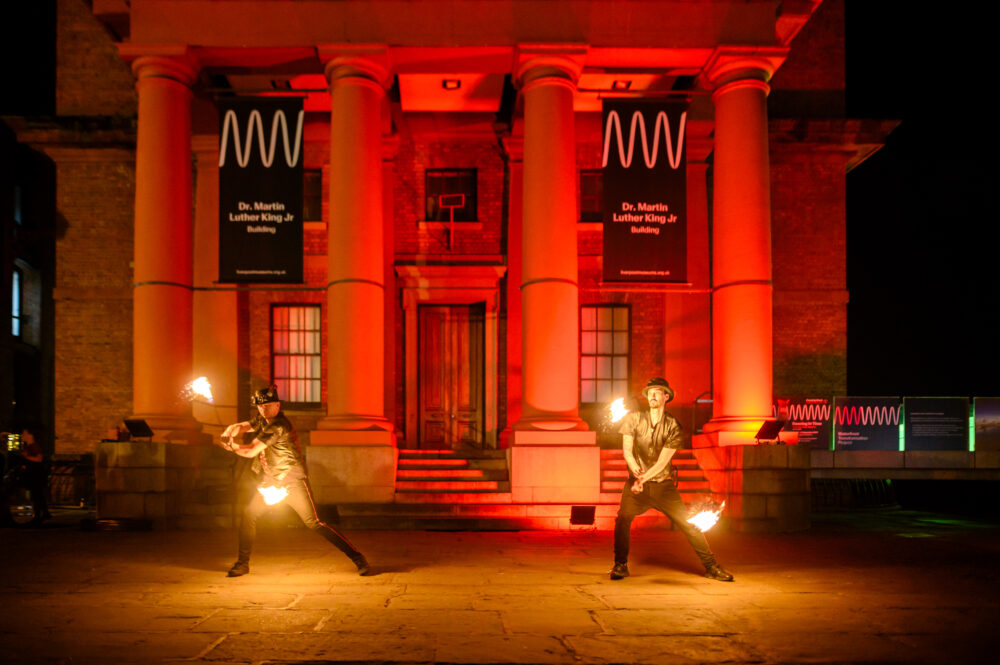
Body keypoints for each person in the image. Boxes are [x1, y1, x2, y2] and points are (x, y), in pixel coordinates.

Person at [220, 385, 370, 577]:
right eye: (259, 406)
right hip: (270, 482)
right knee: (249, 515)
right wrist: (230, 430)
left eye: (267, 405)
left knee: (314, 523)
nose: (262, 409)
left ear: (277, 405)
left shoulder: (278, 426)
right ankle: (242, 564)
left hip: (292, 482)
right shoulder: (262, 419)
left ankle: (358, 558)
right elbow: (241, 426)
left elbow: (250, 451)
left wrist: (232, 447)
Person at [611, 377, 733, 582]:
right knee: (623, 518)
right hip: (636, 484)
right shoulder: (632, 419)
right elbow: (627, 451)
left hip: (663, 486)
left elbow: (661, 462)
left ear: (666, 396)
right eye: (649, 391)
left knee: (688, 524)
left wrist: (643, 479)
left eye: (658, 391)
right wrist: (635, 472)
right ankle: (620, 565)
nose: (652, 395)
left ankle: (711, 567)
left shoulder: (674, 426)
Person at [19, 427, 51, 522]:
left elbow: (39, 458)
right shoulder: (27, 446)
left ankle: (39, 514)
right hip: (32, 473)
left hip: (36, 474)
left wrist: (26, 457)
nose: (22, 436)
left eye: (24, 433)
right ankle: (44, 513)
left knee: (37, 494)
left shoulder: (34, 446)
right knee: (37, 495)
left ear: (30, 435)